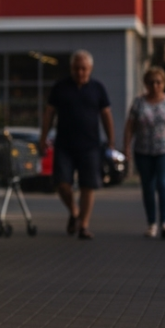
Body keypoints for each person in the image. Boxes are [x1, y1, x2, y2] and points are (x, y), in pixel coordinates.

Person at [39, 50, 114, 240]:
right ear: (71, 68)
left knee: (88, 185)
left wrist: (111, 140)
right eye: (77, 68)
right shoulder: (61, 87)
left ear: (90, 69)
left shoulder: (97, 88)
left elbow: (106, 115)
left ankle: (84, 225)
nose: (80, 72)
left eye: (84, 69)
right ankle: (74, 210)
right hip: (64, 144)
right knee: (62, 184)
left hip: (90, 145)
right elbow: (49, 113)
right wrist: (43, 137)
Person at [122, 67, 165, 238]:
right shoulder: (139, 103)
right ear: (146, 84)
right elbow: (130, 127)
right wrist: (126, 148)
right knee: (148, 186)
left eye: (158, 82)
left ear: (164, 84)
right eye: (151, 82)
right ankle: (152, 222)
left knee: (163, 183)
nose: (155, 86)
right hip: (144, 150)